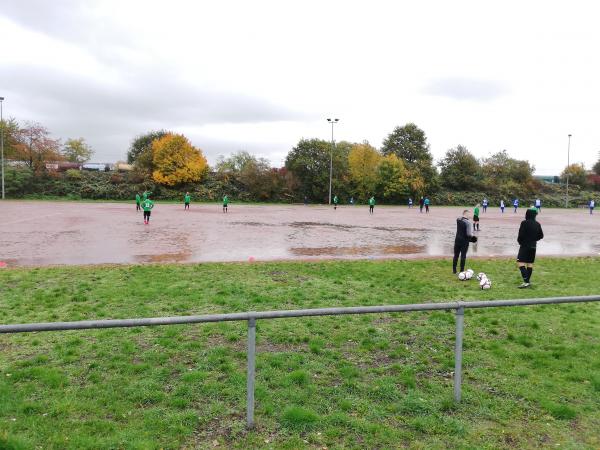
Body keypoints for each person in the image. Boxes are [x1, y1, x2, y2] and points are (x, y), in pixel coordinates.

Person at [517, 207, 544, 288]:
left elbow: (520, 235)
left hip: (525, 245)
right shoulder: (538, 224)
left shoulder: (524, 223)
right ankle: (527, 282)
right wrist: (534, 239)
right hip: (533, 246)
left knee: (520, 263)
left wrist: (520, 242)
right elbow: (541, 236)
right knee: (530, 264)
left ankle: (526, 281)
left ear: (527, 214)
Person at [453, 209, 477, 274]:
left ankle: (454, 270)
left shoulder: (458, 219)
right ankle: (461, 271)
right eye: (469, 214)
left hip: (457, 240)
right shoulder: (468, 223)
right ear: (466, 213)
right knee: (463, 255)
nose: (470, 215)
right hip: (464, 241)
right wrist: (473, 238)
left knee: (456, 255)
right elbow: (468, 234)